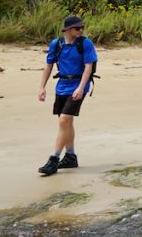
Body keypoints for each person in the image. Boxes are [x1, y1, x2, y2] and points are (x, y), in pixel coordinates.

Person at [37, 15, 98, 176]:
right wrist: (42, 87)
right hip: (62, 86)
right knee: (65, 122)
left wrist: (80, 87)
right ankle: (70, 156)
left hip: (78, 86)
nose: (81, 30)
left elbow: (88, 67)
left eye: (81, 27)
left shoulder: (85, 43)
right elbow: (49, 66)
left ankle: (53, 160)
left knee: (64, 119)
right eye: (77, 28)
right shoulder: (56, 44)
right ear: (68, 29)